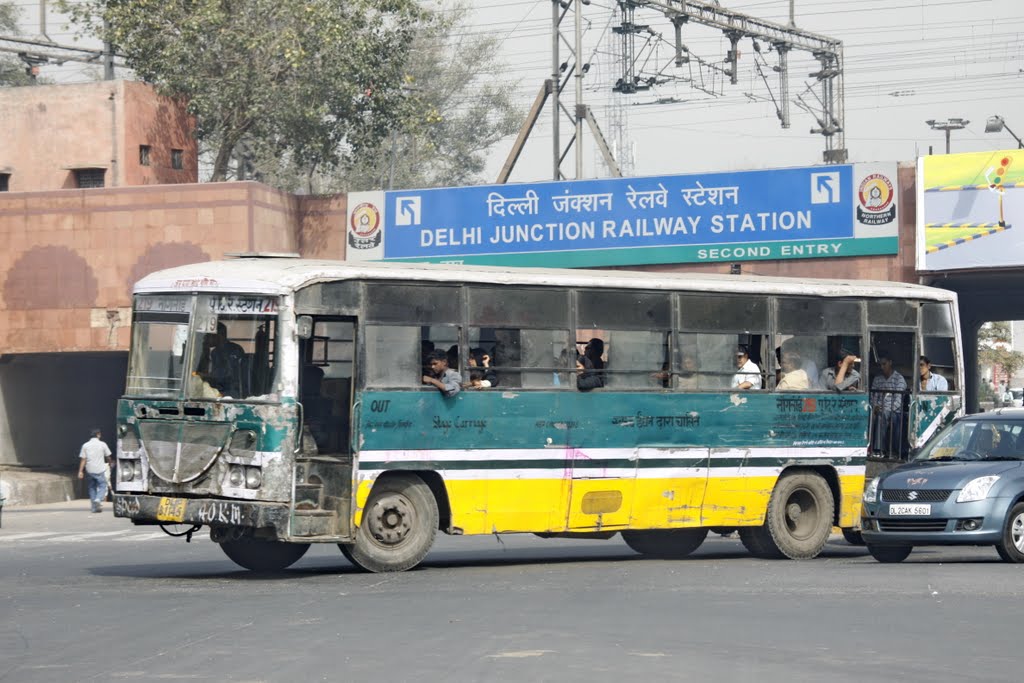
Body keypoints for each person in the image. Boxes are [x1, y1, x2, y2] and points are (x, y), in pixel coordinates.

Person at [870, 355, 907, 455]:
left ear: (890, 363)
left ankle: (878, 450)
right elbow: (873, 397)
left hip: (894, 411)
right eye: (880, 365)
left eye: (884, 364)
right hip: (878, 409)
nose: (882, 367)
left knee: (882, 415)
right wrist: (875, 407)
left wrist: (885, 409)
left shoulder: (899, 379)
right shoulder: (877, 379)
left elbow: (898, 402)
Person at [200, 322, 245, 397]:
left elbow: (228, 375)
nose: (205, 338)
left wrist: (207, 376)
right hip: (218, 390)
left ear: (218, 336)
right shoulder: (215, 352)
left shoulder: (235, 349)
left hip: (231, 392)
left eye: (208, 335)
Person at [77, 428, 112, 513]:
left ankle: (94, 508)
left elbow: (83, 459)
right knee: (103, 485)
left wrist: (80, 471)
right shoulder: (103, 444)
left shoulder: (85, 445)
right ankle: (98, 499)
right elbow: (108, 456)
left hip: (90, 470)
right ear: (98, 434)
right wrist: (110, 463)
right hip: (100, 470)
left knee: (92, 487)